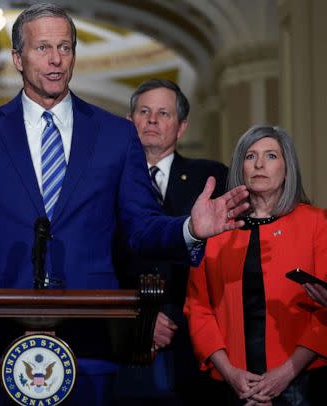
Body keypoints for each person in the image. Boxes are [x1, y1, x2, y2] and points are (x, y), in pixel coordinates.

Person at [0, 3, 249, 404]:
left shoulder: (115, 135)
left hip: (91, 334)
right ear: (17, 58)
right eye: (42, 48)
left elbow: (142, 228)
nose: (56, 60)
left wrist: (189, 229)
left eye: (65, 47)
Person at [184, 125, 327, 405]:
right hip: (231, 381)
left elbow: (324, 308)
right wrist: (229, 372)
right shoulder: (216, 226)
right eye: (251, 156)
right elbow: (197, 307)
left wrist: (286, 374)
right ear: (241, 167)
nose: (260, 164)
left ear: (288, 167)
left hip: (300, 381)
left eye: (271, 156)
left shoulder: (316, 223)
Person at [114, 79, 228, 404]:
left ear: (181, 128)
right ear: (128, 121)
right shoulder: (103, 180)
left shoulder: (212, 178)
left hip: (193, 340)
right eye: (144, 111)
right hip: (122, 338)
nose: (152, 120)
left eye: (163, 113)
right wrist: (135, 314)